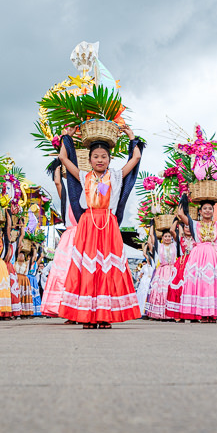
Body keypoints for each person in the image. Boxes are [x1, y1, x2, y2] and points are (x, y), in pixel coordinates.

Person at [57, 125, 144, 328]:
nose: (99, 160)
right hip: (88, 224)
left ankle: (105, 315)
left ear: (109, 159)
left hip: (108, 223)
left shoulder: (115, 176)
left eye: (104, 156)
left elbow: (136, 159)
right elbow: (63, 158)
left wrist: (131, 136)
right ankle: (86, 315)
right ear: (89, 160)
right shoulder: (83, 176)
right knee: (88, 267)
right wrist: (66, 136)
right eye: (95, 156)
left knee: (107, 268)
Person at [175, 193, 217, 323]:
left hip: (215, 256)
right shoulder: (194, 224)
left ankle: (213, 314)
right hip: (199, 257)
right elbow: (180, 214)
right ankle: (203, 314)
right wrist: (184, 199)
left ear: (213, 211)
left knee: (214, 283)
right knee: (202, 284)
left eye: (210, 208)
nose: (208, 211)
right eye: (205, 208)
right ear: (200, 211)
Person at [41, 159, 79, 320]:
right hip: (70, 239)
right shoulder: (69, 198)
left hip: (85, 237)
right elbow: (58, 182)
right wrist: (58, 163)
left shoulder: (91, 195)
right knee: (67, 275)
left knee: (80, 274)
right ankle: (68, 311)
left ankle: (81, 310)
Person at [145, 229, 178, 320]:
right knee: (159, 292)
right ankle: (158, 314)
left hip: (172, 270)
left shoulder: (175, 245)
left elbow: (176, 233)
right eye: (165, 236)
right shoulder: (159, 246)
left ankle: (171, 314)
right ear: (162, 238)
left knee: (171, 291)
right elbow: (151, 236)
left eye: (169, 236)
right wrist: (151, 224)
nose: (167, 238)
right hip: (162, 271)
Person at [165, 222, 194, 322]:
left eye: (190, 227)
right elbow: (172, 230)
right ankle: (179, 314)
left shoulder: (197, 238)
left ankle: (193, 315)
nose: (188, 229)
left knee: (192, 289)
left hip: (194, 263)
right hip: (181, 264)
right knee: (179, 288)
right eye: (186, 227)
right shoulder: (181, 237)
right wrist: (177, 220)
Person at [135, 245, 155, 317]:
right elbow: (141, 274)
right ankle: (140, 311)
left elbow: (145, 254)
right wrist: (145, 246)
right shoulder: (144, 266)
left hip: (150, 281)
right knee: (142, 295)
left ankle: (148, 311)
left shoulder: (154, 264)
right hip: (144, 281)